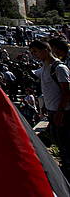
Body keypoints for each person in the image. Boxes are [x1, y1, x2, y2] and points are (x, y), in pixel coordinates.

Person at [30, 39, 70, 178]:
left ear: (46, 50)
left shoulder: (59, 68)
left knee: (65, 145)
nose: (34, 55)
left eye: (35, 51)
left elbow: (66, 91)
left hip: (63, 113)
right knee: (59, 143)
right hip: (52, 111)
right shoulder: (44, 67)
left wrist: (60, 112)